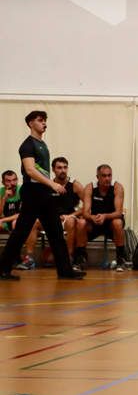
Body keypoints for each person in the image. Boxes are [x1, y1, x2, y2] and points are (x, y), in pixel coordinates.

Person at [0, 111, 84, 280]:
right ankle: (3, 269)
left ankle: (65, 270)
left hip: (43, 193)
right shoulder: (27, 145)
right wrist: (53, 184)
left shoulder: (43, 145)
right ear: (31, 123)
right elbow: (30, 170)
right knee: (21, 232)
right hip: (33, 192)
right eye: (40, 120)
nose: (44, 123)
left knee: (56, 232)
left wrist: (49, 187)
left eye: (45, 120)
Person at [82, 165, 128, 271]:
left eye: (109, 175)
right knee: (81, 223)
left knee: (118, 222)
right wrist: (92, 217)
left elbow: (119, 213)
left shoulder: (117, 187)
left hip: (110, 221)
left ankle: (121, 258)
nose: (107, 178)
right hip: (95, 221)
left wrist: (105, 216)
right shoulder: (90, 188)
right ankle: (80, 257)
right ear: (97, 177)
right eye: (104, 176)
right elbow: (85, 212)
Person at [48, 157, 87, 270]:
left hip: (69, 217)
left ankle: (69, 257)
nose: (63, 170)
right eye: (59, 168)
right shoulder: (49, 184)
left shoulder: (75, 185)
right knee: (35, 222)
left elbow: (87, 206)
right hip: (53, 218)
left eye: (65, 167)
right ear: (53, 170)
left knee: (70, 222)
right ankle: (29, 258)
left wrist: (72, 214)